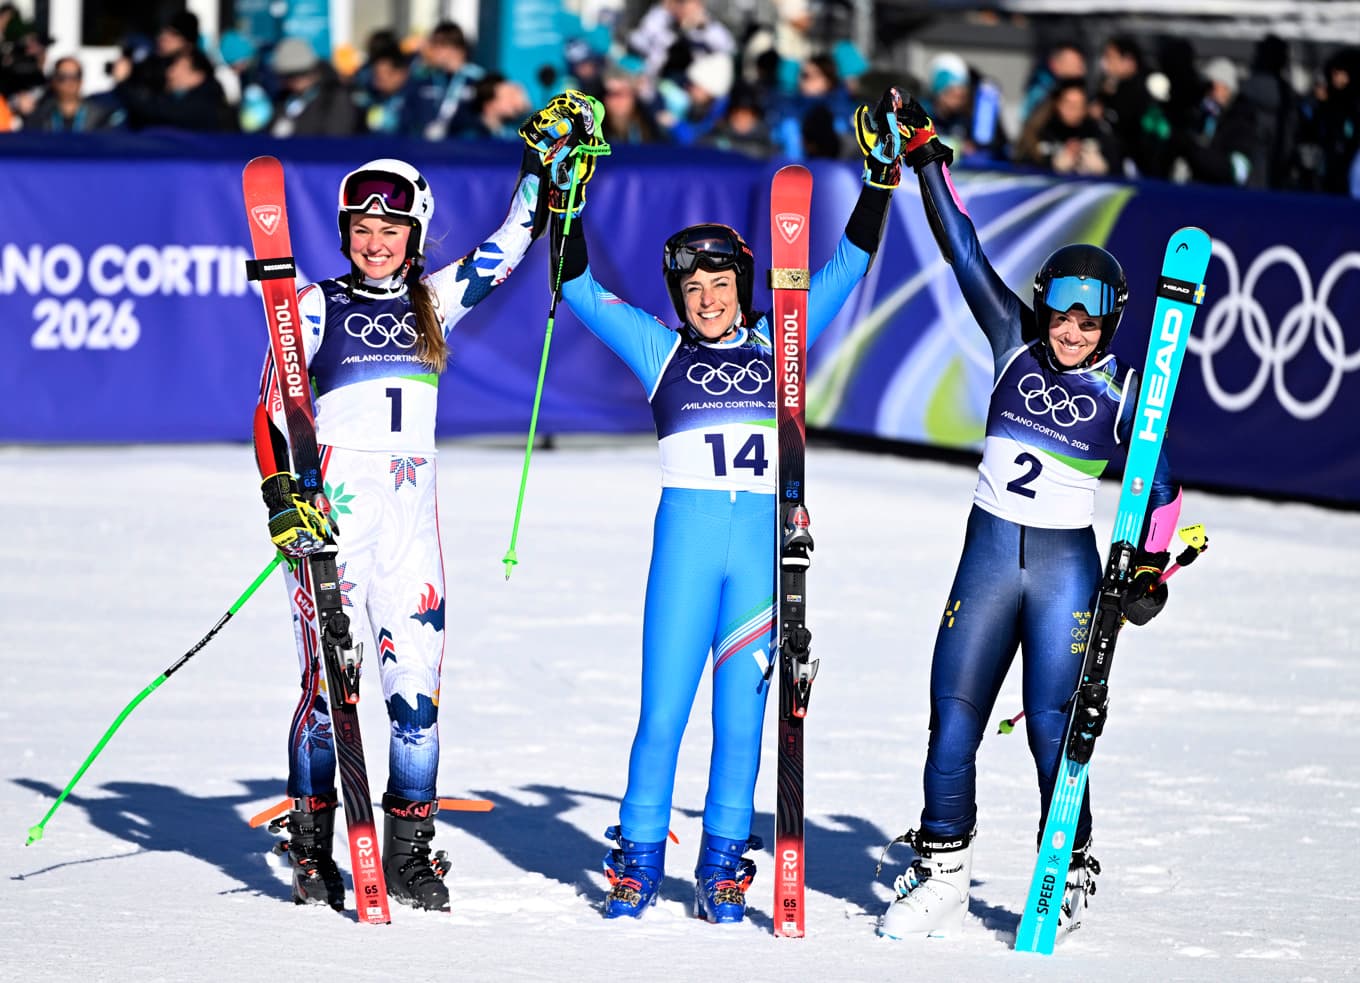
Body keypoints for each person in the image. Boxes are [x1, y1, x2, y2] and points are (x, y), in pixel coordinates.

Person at [519, 87, 906, 922]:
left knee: (741, 722)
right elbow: (578, 287)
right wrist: (566, 199)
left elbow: (848, 265)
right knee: (663, 711)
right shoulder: (659, 350)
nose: (707, 297)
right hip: (688, 552)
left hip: (761, 559)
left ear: (743, 282)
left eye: (721, 281)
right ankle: (638, 856)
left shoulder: (783, 338)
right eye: (692, 285)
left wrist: (879, 181)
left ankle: (724, 860)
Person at [876, 95, 1182, 939]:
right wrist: (926, 155)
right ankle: (941, 864)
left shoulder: (1126, 394)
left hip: (1063, 569)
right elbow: (962, 248)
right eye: (1062, 311)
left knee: (1055, 727)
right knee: (953, 712)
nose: (1072, 329)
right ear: (1044, 306)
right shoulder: (1013, 336)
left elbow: (1162, 491)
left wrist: (1152, 570)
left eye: (1089, 318)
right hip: (985, 557)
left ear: (1110, 321)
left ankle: (1071, 861)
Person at [253, 139, 553, 912]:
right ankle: (313, 844)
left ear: (414, 236)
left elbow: (511, 245)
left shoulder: (433, 301)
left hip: (410, 530)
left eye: (390, 230)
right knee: (328, 692)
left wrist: (539, 169)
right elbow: (270, 410)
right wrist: (282, 494)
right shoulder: (314, 304)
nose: (374, 241)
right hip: (331, 523)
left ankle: (410, 851)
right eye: (360, 227)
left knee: (415, 696)